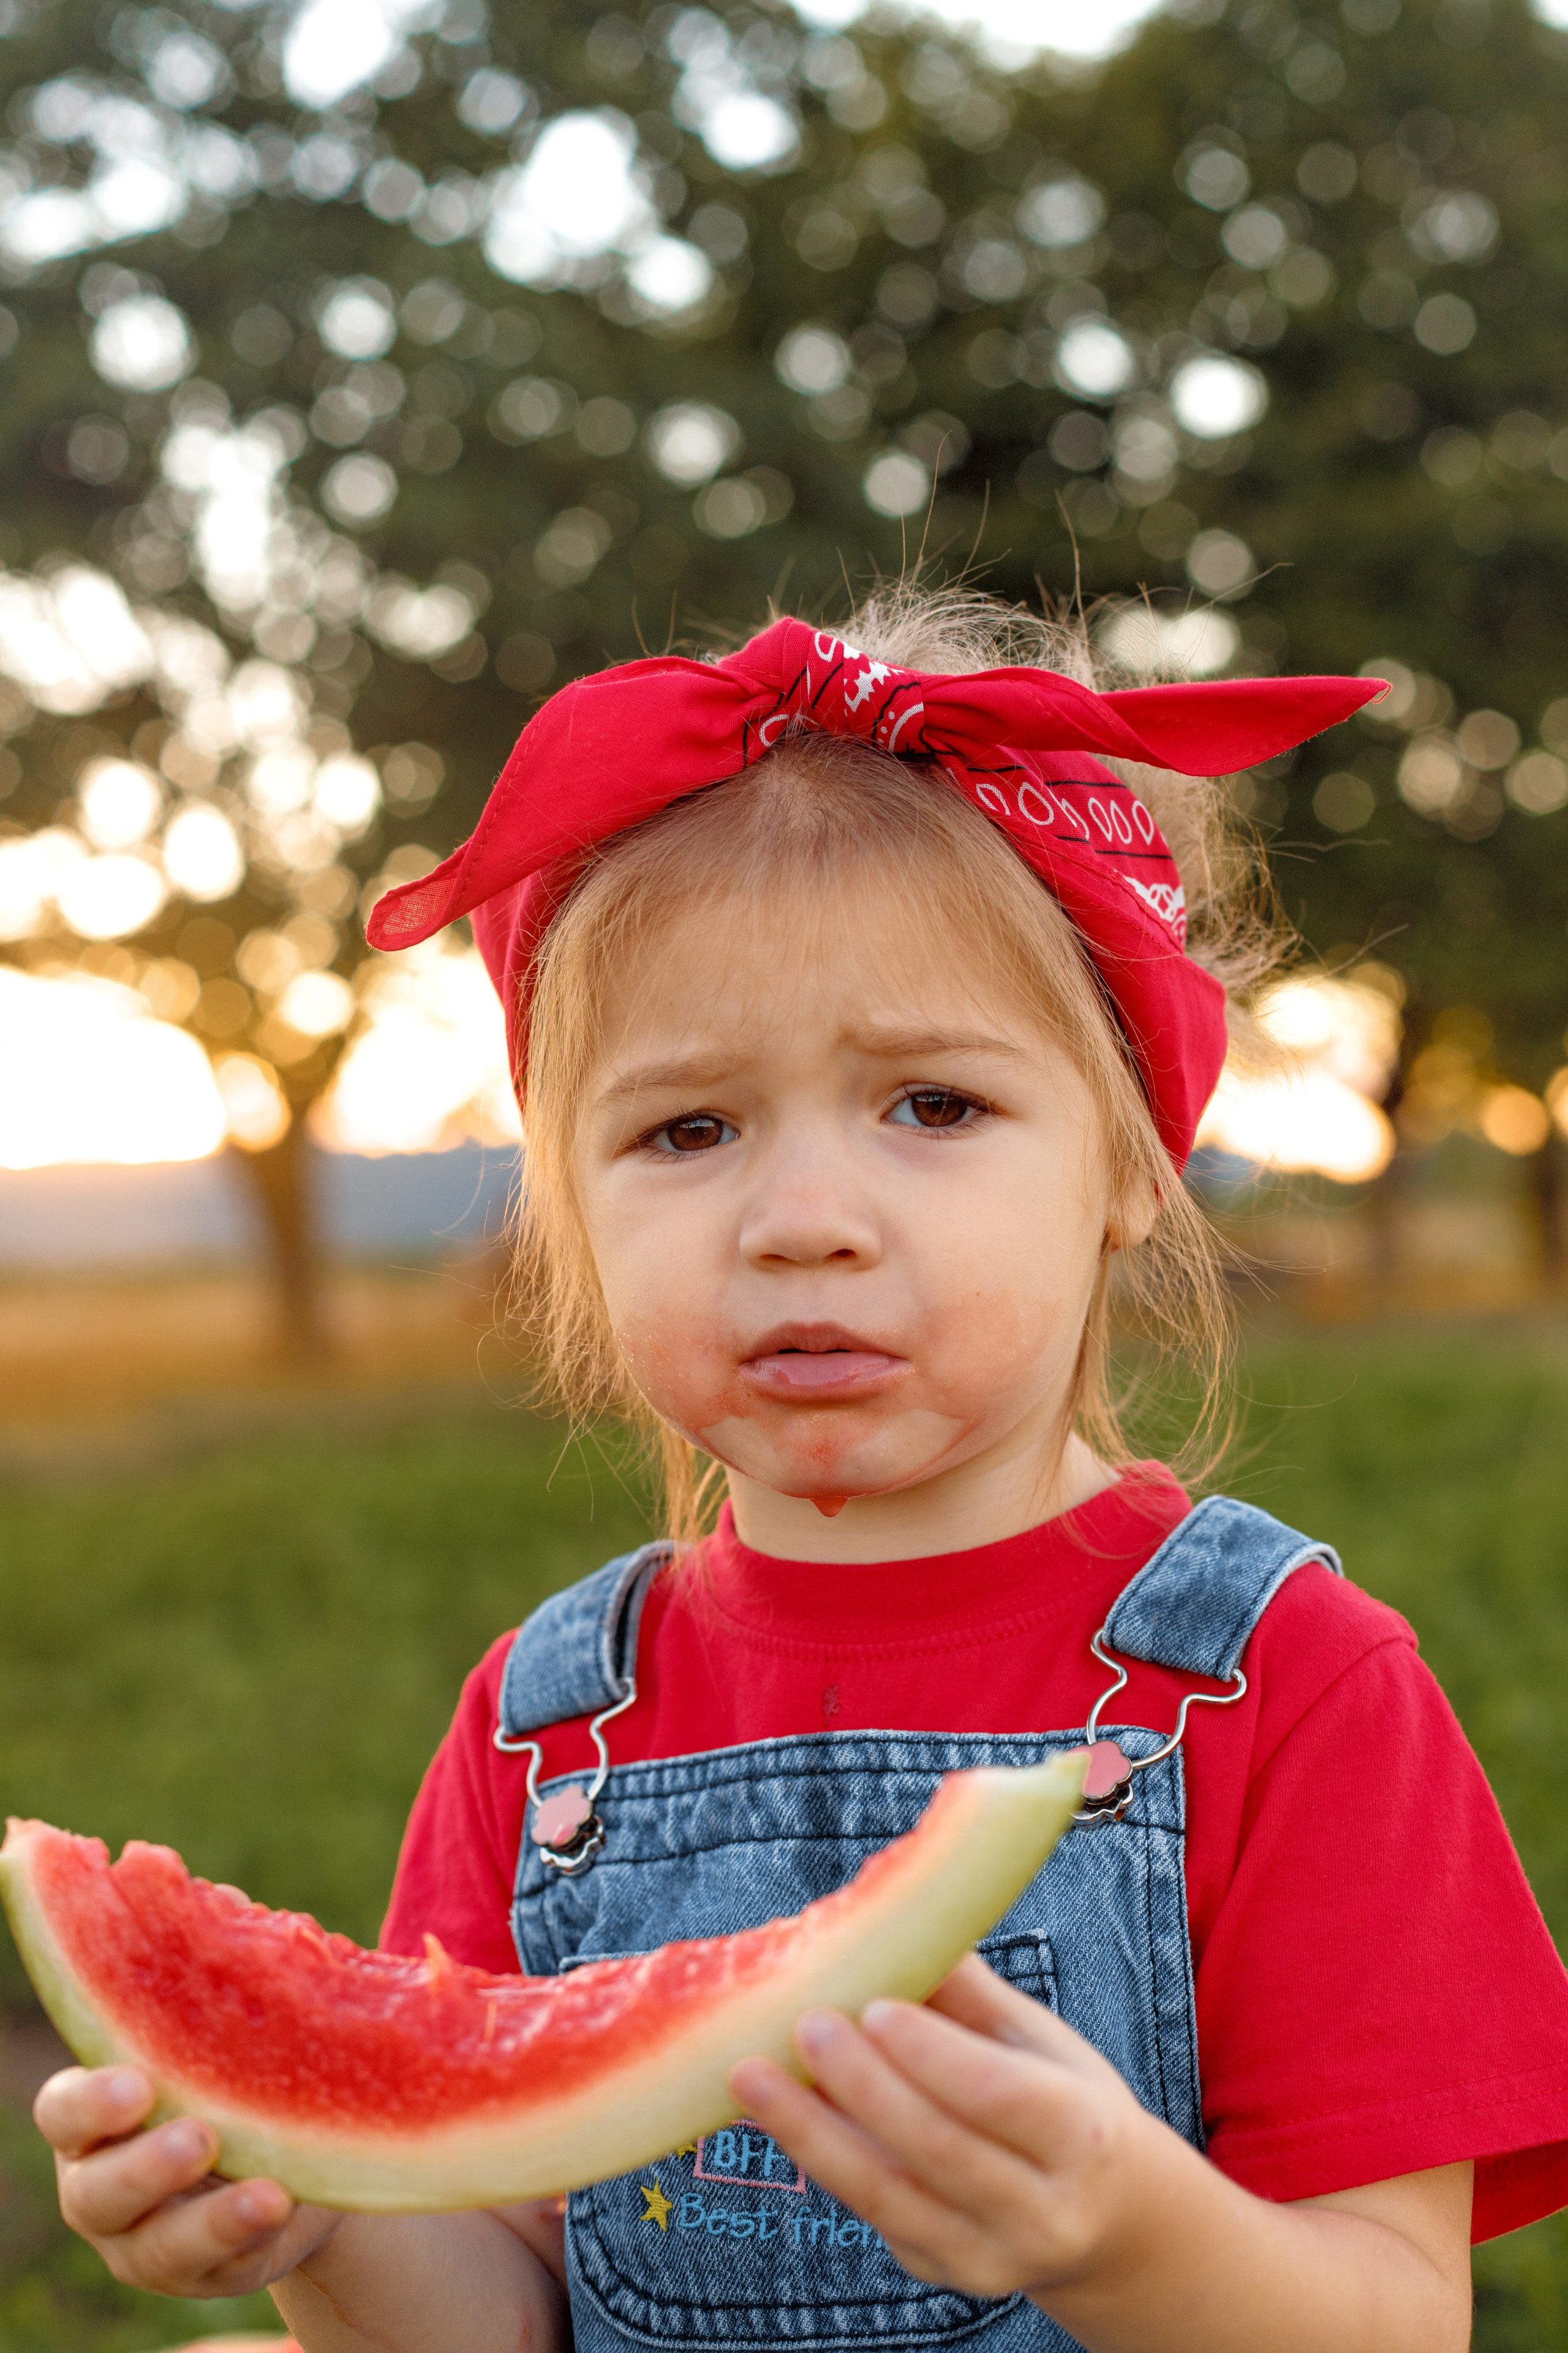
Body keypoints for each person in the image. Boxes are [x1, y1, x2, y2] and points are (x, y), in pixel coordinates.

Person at [35, 587, 1568, 2352]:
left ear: (1131, 1165)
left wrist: (1123, 2228)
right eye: (687, 1129)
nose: (802, 1223)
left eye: (932, 1104)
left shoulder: (1285, 1682)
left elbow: (1397, 2318)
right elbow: (501, 2325)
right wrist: (305, 2205)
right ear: (573, 1220)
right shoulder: (551, 1731)